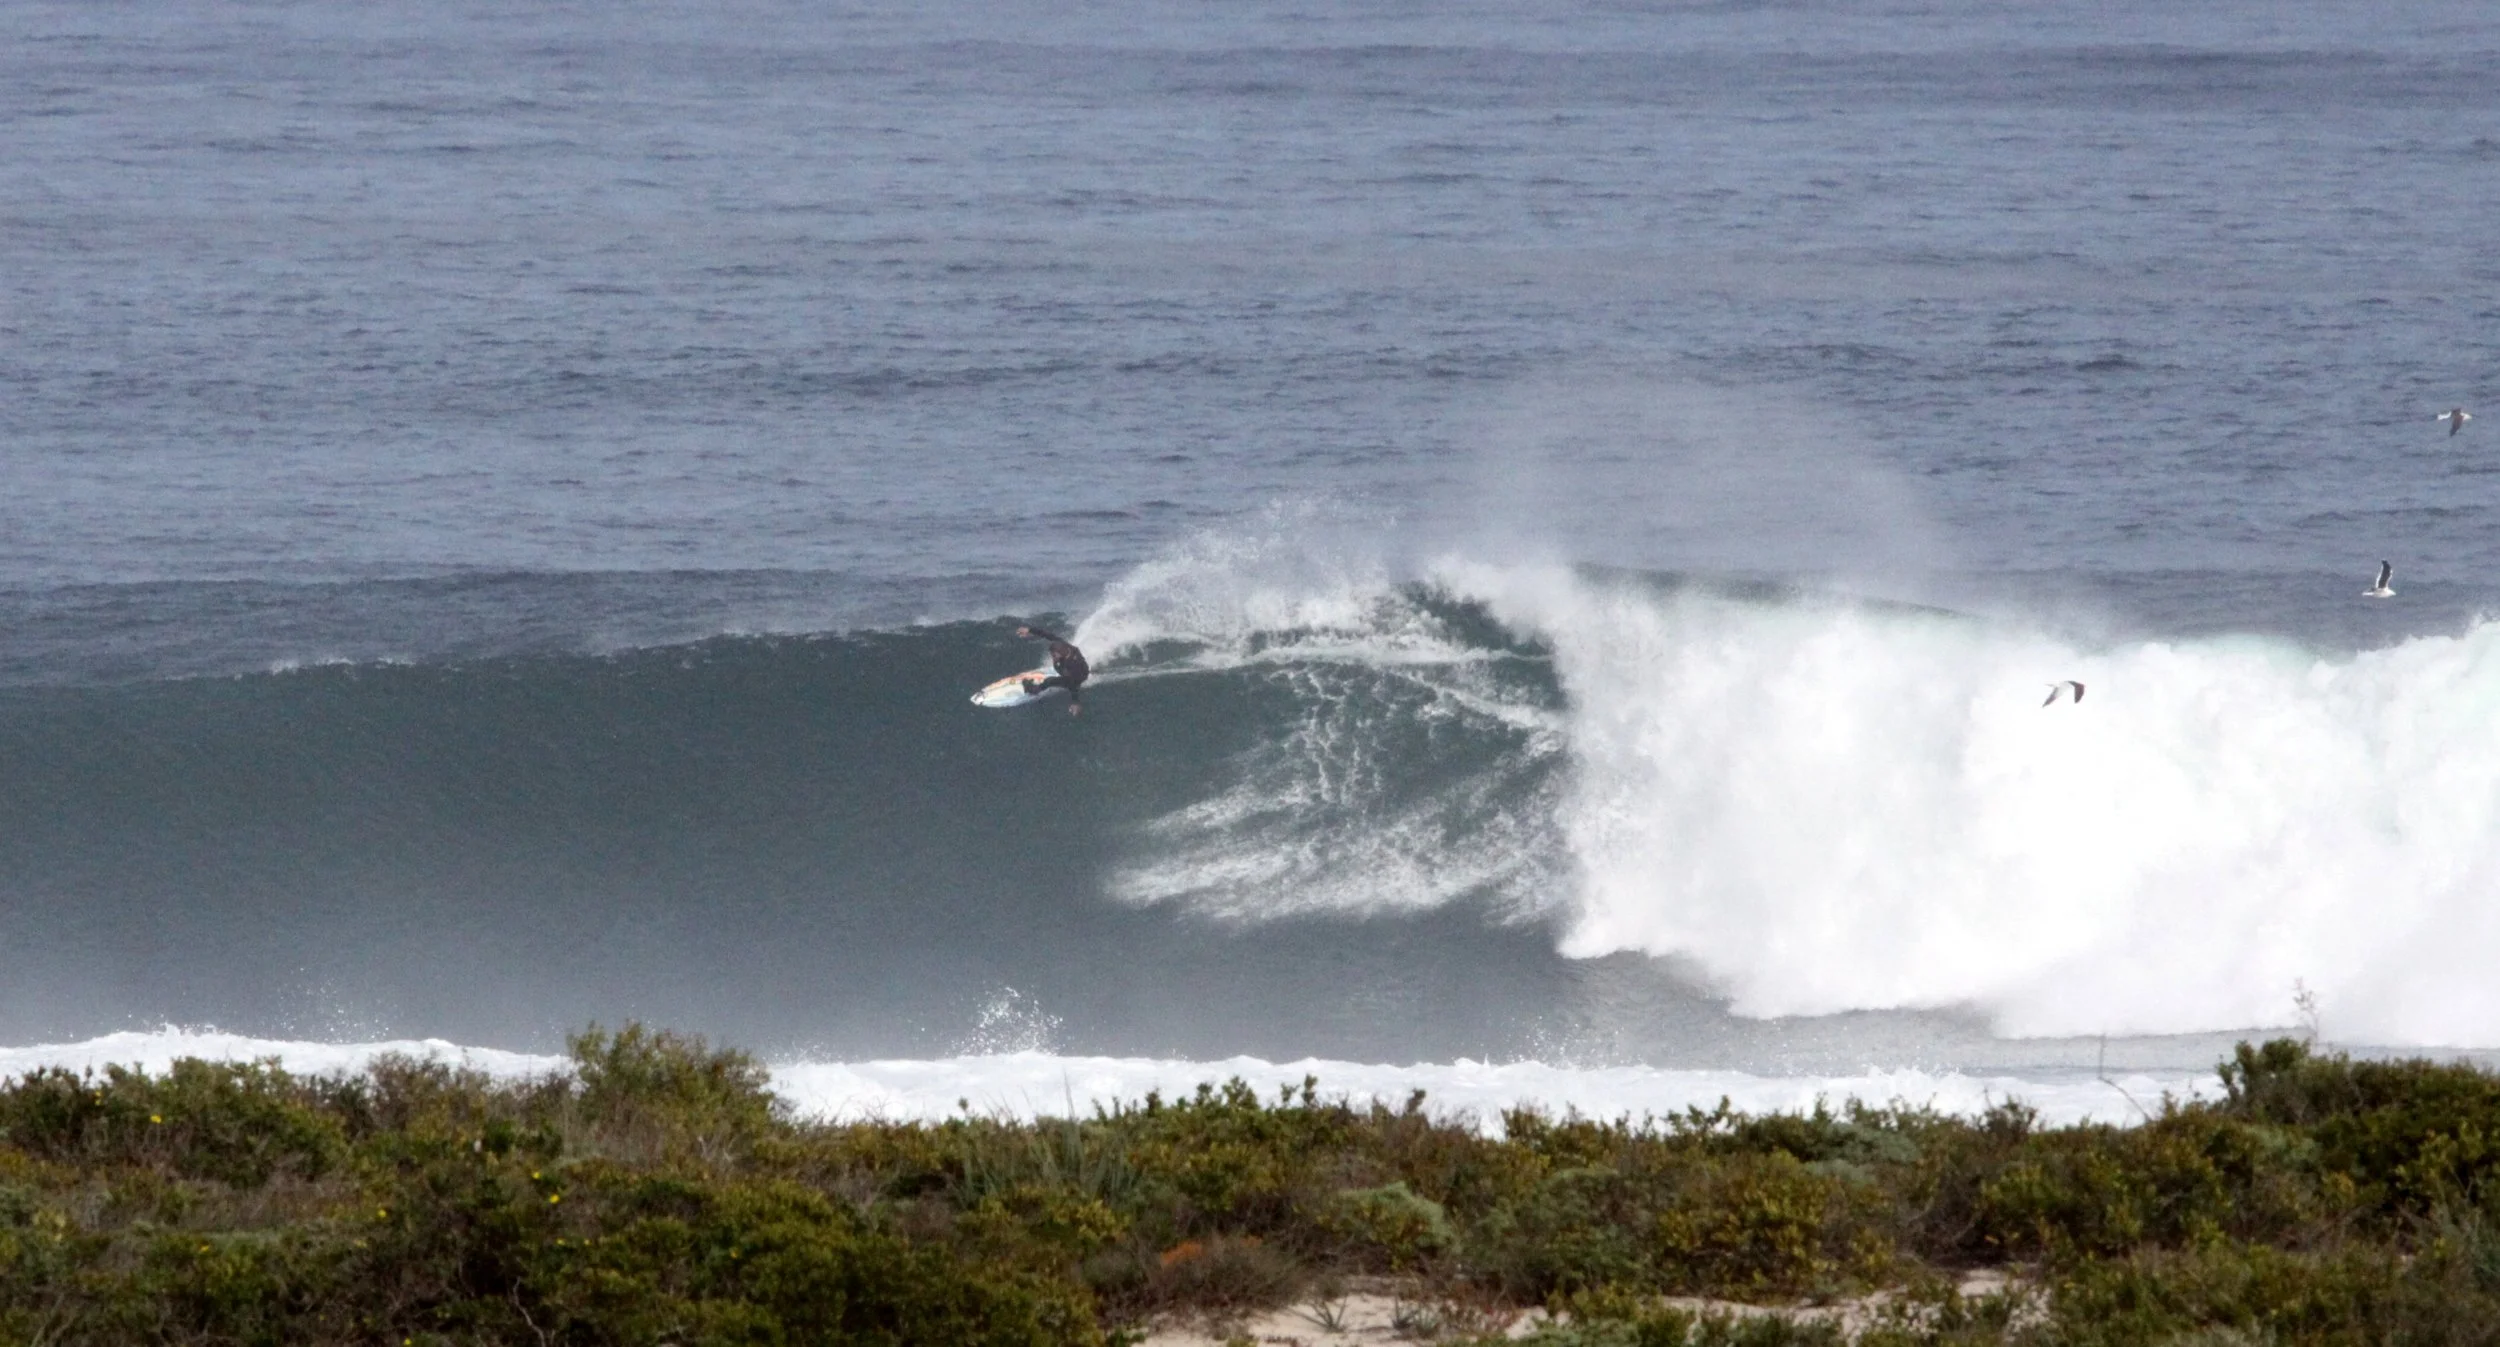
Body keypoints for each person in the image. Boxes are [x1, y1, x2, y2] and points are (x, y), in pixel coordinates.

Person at [1016, 624, 1089, 715]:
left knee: (1049, 681)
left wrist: (1075, 702)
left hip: (1079, 676)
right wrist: (1030, 630)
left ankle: (1032, 690)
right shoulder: (1062, 644)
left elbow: (1073, 685)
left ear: (1060, 653)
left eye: (1054, 655)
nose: (1052, 656)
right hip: (1079, 668)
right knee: (1058, 668)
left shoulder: (1070, 665)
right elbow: (1047, 634)